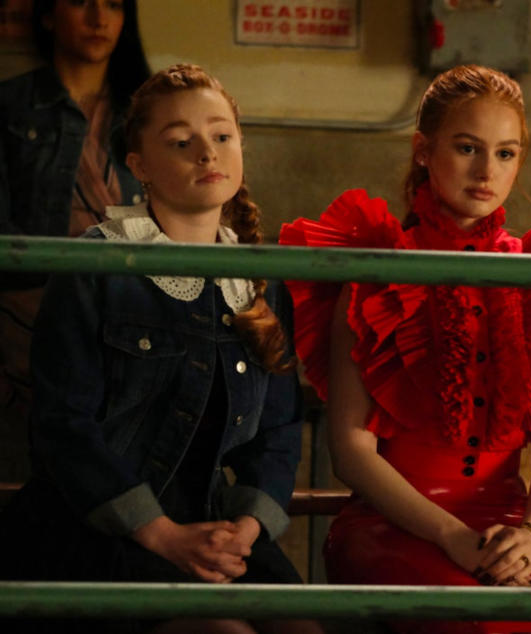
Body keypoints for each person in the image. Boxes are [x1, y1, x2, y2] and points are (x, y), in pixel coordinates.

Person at [279, 64, 531, 634]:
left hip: (511, 529)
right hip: (391, 525)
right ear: (423, 150)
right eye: (468, 148)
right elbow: (350, 451)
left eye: (506, 153)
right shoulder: (374, 277)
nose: (486, 171)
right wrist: (450, 534)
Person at [0, 64, 321, 634]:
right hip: (101, 531)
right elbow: (63, 425)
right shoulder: (96, 265)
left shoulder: (260, 279)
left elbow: (276, 432)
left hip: (214, 528)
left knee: (304, 628)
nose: (207, 153)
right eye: (181, 141)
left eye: (221, 136)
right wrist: (161, 533)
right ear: (139, 165)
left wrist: (245, 529)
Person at [0, 0, 150, 481]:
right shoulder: (10, 105)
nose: (98, 18)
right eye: (81, 2)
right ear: (47, 15)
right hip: (22, 319)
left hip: (131, 314)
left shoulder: (148, 113)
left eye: (112, 5)